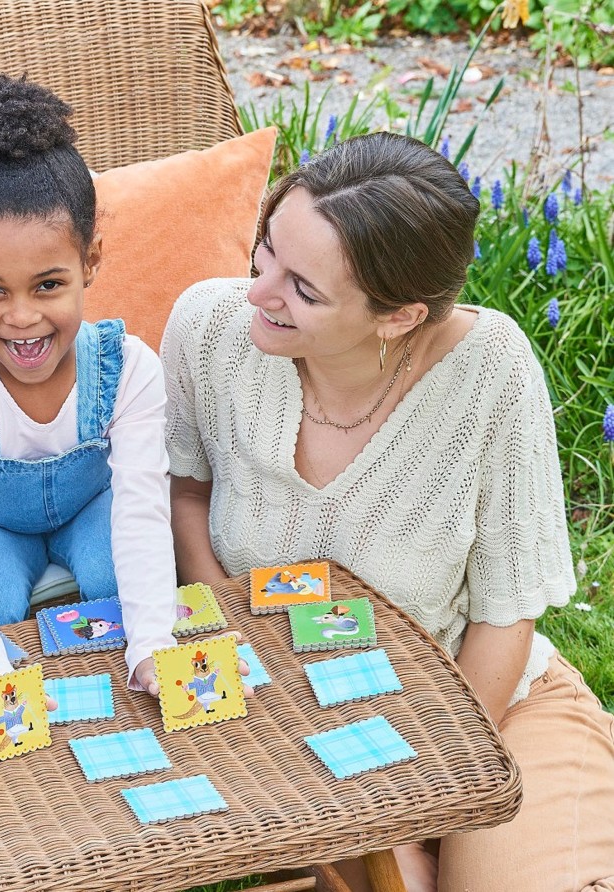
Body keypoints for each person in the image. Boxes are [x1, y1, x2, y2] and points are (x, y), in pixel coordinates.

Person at [161, 131, 614, 891]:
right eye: (266, 250)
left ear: (398, 317)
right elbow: (185, 490)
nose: (259, 292)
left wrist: (431, 781)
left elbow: (504, 618)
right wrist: (232, 642)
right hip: (311, 731)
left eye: (303, 288)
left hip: (488, 703)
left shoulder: (490, 373)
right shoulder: (211, 331)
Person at [0, 73, 178, 760]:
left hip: (93, 509)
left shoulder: (131, 367)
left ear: (90, 262)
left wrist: (153, 652)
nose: (21, 319)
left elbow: (141, 513)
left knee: (121, 588)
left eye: (48, 285)